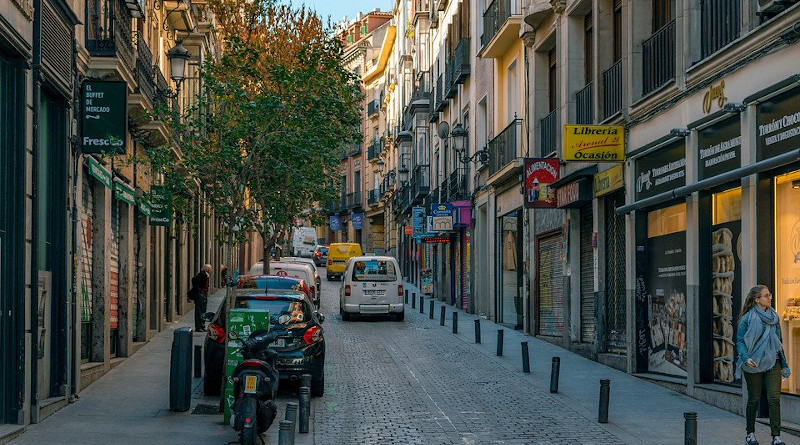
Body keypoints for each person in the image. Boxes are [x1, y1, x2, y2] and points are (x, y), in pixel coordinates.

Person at [736, 285, 790, 445]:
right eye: (766, 295)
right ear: (757, 299)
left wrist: (785, 364)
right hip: (753, 363)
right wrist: (745, 358)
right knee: (754, 399)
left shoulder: (774, 317)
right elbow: (739, 341)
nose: (770, 298)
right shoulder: (747, 318)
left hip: (773, 362)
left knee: (774, 398)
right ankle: (750, 433)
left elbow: (778, 343)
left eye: (770, 295)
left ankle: (776, 436)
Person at [193, 264, 212, 332]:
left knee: (203, 311)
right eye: (210, 268)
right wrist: (200, 292)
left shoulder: (206, 275)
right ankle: (198, 326)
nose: (211, 270)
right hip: (201, 295)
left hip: (203, 294)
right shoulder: (202, 275)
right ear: (207, 269)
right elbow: (196, 283)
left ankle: (202, 325)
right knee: (199, 311)